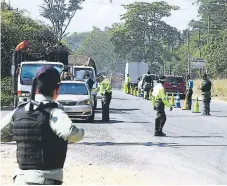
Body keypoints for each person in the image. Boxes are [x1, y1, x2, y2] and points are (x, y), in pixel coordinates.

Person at [0, 66, 85, 185]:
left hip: (20, 180)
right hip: (45, 180)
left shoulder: (18, 112)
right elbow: (70, 133)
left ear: (35, 89)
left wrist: (23, 135)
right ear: (57, 89)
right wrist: (82, 132)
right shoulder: (54, 112)